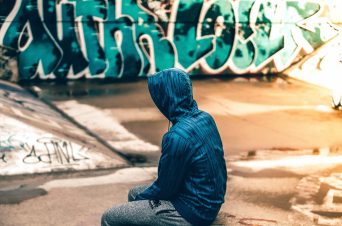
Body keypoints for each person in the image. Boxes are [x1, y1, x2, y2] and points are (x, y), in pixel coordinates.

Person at [101, 68, 227, 226]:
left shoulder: (177, 137)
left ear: (167, 97)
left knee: (109, 217)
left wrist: (137, 204)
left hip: (193, 211)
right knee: (134, 193)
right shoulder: (205, 118)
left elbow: (165, 188)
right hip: (211, 201)